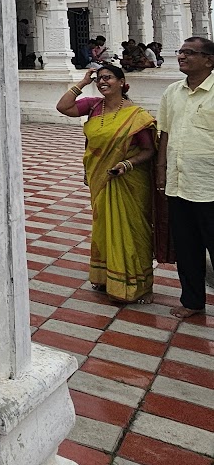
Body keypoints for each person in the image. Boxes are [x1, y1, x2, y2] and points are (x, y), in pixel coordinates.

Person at [57, 61, 158, 304]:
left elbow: (149, 150)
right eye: (99, 78)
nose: (103, 82)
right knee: (104, 228)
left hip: (129, 181)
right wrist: (83, 82)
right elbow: (63, 107)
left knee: (132, 231)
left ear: (122, 83)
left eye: (109, 77)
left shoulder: (137, 115)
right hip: (99, 177)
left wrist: (126, 165)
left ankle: (139, 285)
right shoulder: (93, 107)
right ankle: (105, 278)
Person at [156, 37, 214, 320]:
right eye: (180, 51)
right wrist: (161, 170)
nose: (181, 56)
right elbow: (165, 132)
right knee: (188, 248)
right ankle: (192, 301)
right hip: (179, 184)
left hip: (210, 186)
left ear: (209, 60)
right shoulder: (172, 91)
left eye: (190, 52)